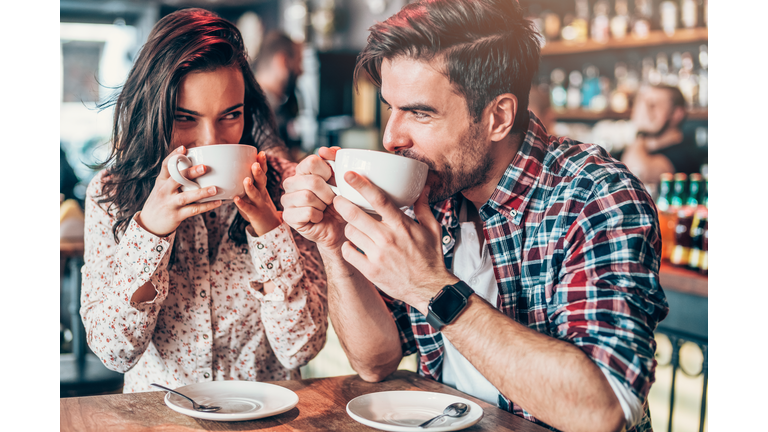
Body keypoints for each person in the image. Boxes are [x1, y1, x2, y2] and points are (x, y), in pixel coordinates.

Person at [280, 1, 668, 431]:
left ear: (498, 116)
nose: (391, 137)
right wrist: (334, 243)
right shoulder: (430, 190)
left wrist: (430, 287)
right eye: (391, 107)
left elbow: (603, 410)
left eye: (420, 112)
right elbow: (375, 361)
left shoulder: (595, 196)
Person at [80, 8, 328, 393]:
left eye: (231, 115)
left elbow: (300, 349)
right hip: (159, 418)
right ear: (153, 113)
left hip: (265, 416)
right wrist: (150, 232)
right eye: (186, 118)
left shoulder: (286, 185)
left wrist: (269, 229)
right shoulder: (111, 192)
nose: (212, 141)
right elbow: (115, 353)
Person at [621, 84, 703, 185]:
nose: (644, 111)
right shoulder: (642, 149)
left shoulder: (685, 154)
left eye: (653, 105)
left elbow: (638, 174)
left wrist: (641, 131)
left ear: (677, 114)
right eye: (642, 103)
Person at [254, 30, 305, 162]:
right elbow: (279, 161)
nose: (301, 71)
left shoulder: (277, 106)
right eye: (299, 62)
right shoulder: (257, 107)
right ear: (283, 61)